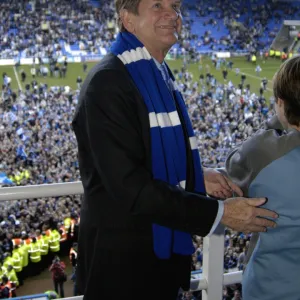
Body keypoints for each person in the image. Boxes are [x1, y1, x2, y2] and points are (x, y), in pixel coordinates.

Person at [72, 0, 278, 299]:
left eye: (175, 5)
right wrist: (219, 213)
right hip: (124, 265)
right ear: (127, 20)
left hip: (153, 258)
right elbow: (130, 187)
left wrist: (195, 173)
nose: (172, 14)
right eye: (157, 5)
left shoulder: (154, 72)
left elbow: (146, 155)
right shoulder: (110, 81)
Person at [225, 56, 300, 300]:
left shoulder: (265, 152)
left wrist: (281, 118)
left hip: (273, 287)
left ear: (281, 102)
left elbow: (233, 163)